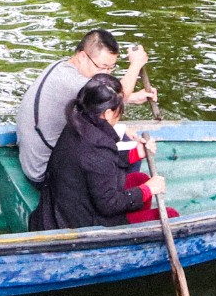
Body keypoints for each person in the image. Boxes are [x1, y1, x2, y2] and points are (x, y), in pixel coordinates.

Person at [30, 74, 176, 231]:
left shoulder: (78, 121)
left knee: (140, 179)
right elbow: (108, 204)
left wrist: (136, 153)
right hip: (78, 223)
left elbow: (94, 163)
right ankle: (131, 235)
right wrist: (148, 189)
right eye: (120, 109)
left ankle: (134, 226)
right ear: (107, 113)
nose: (121, 114)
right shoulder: (97, 146)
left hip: (67, 204)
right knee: (171, 215)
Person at [16, 28, 156, 185]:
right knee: (132, 154)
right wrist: (136, 65)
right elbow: (119, 93)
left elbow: (98, 98)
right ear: (83, 56)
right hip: (44, 172)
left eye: (111, 68)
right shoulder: (71, 82)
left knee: (120, 136)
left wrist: (134, 97)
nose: (107, 74)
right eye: (102, 67)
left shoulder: (62, 66)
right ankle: (118, 197)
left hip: (36, 157)